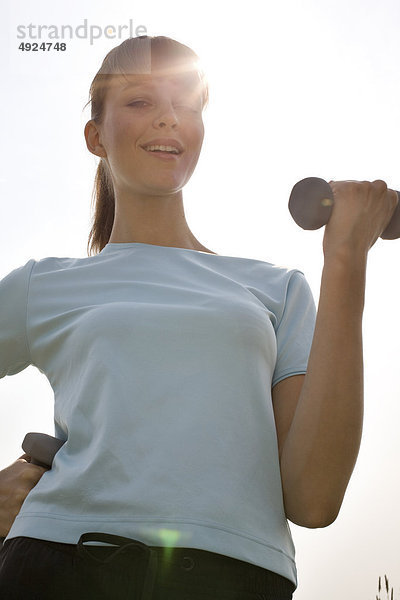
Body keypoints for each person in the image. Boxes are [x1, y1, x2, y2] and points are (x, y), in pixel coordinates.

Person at [0, 35, 397, 600]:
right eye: (140, 102)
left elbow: (314, 498)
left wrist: (346, 262)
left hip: (236, 579)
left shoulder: (276, 289)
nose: (168, 118)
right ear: (96, 135)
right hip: (63, 565)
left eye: (187, 104)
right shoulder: (46, 283)